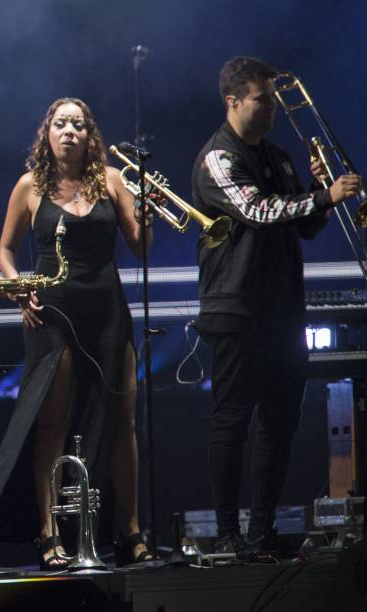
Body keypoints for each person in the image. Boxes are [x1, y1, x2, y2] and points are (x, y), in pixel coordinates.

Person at [0, 98, 154, 569]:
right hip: (52, 312)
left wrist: (146, 213)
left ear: (90, 135)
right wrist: (17, 288)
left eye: (78, 124)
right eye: (60, 123)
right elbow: (5, 251)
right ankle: (49, 533)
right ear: (46, 133)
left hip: (108, 309)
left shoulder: (112, 180)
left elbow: (141, 247)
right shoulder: (30, 186)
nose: (69, 130)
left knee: (121, 418)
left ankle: (129, 529)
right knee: (52, 422)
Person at [191, 56, 361, 555]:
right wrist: (324, 197)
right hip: (235, 307)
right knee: (232, 421)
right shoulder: (217, 158)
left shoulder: (281, 157)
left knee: (281, 421)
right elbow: (258, 211)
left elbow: (303, 226)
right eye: (262, 100)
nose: (271, 110)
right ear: (233, 101)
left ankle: (261, 529)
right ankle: (226, 533)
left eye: (272, 100)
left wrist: (315, 190)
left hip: (284, 308)